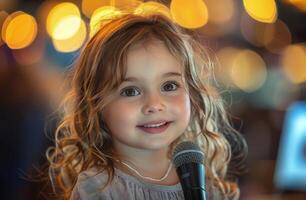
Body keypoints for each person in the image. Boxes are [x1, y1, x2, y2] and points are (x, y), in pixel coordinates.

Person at [47, 13, 247, 200]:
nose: (154, 105)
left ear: (193, 94)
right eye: (130, 91)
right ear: (96, 105)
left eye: (169, 86)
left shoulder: (205, 186)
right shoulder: (97, 188)